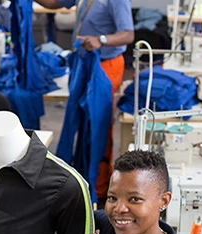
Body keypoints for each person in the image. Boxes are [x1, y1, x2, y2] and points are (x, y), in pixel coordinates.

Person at [34, 0, 134, 202]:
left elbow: (128, 34)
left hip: (105, 66)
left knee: (99, 129)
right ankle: (79, 180)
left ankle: (99, 191)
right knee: (78, 124)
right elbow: (54, 3)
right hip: (85, 62)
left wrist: (102, 39)